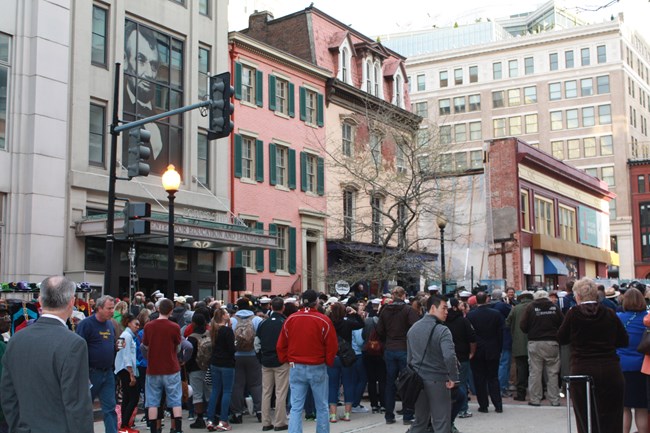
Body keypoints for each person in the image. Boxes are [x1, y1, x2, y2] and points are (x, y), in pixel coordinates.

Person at [0, 276, 94, 433]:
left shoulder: (17, 339)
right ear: (72, 302)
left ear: (40, 301)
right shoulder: (74, 344)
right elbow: (77, 404)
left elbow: (8, 395)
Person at [558, 277, 628, 433]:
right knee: (612, 416)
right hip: (609, 368)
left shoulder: (573, 314)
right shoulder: (609, 313)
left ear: (577, 296)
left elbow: (561, 338)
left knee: (585, 416)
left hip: (582, 367)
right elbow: (623, 340)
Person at [276, 289, 338, 433]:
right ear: (316, 302)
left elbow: (281, 345)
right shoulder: (323, 320)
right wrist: (328, 361)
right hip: (317, 365)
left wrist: (287, 359)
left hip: (296, 365)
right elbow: (332, 345)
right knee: (321, 406)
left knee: (296, 407)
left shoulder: (291, 319)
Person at [407, 295, 459, 433]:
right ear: (432, 308)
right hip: (438, 380)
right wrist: (453, 377)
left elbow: (409, 359)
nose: (446, 312)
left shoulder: (413, 329)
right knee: (441, 422)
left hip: (417, 380)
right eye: (444, 308)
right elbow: (449, 356)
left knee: (419, 421)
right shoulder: (443, 330)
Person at [123, 20, 166, 174]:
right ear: (125, 60)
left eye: (153, 65)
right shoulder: (117, 115)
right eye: (141, 60)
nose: (148, 73)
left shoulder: (171, 133)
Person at [376, 286, 420, 424]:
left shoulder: (384, 311)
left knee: (390, 383)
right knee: (407, 382)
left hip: (390, 348)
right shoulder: (408, 310)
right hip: (404, 348)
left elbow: (379, 330)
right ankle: (407, 415)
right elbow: (416, 329)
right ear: (403, 296)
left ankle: (389, 415)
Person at [76, 294, 118, 433]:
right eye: (109, 308)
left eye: (113, 308)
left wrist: (115, 347)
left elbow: (110, 343)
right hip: (91, 372)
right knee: (86, 409)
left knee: (110, 408)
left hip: (108, 372)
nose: (112, 311)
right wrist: (83, 373)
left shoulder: (110, 324)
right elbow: (78, 350)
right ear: (99, 308)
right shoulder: (86, 324)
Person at [141, 298, 183, 433]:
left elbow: (145, 346)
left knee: (152, 401)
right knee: (175, 399)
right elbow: (178, 346)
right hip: (171, 367)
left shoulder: (149, 326)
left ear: (158, 309)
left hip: (153, 368)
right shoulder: (174, 327)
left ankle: (154, 429)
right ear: (171, 311)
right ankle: (177, 429)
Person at [519, 290, 564, 407]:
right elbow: (562, 324)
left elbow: (523, 326)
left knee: (535, 372)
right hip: (552, 342)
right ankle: (554, 399)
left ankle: (535, 399)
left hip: (535, 342)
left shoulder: (530, 307)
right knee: (553, 373)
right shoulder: (554, 307)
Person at [616, 288, 648, 433]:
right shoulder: (646, 318)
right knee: (641, 407)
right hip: (642, 367)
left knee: (624, 407)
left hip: (620, 366)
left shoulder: (618, 317)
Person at [467, 291, 504, 413]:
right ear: (487, 299)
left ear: (476, 301)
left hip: (477, 350)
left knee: (479, 379)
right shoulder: (496, 314)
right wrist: (499, 348)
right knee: (493, 377)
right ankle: (498, 405)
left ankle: (483, 405)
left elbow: (470, 334)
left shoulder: (471, 315)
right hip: (493, 348)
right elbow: (500, 333)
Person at [326, 302, 364, 422]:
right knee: (348, 384)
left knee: (332, 385)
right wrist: (355, 313)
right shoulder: (348, 323)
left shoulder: (328, 323)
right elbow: (361, 324)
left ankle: (332, 415)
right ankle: (347, 413)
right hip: (346, 356)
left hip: (333, 356)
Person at [230, 297, 264, 423]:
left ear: (237, 307)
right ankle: (259, 411)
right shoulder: (257, 320)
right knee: (256, 384)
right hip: (253, 355)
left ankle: (237, 413)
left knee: (237, 385)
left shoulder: (232, 320)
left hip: (236, 356)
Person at [256, 296, 289, 431]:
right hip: (281, 360)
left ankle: (266, 422)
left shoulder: (263, 323)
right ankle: (280, 422)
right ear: (283, 307)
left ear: (271, 307)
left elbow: (256, 343)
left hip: (266, 360)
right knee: (280, 392)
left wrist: (260, 357)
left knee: (266, 392)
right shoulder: (285, 322)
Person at [446, 297, 476, 419]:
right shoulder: (463, 321)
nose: (462, 306)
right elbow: (472, 338)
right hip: (462, 356)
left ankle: (448, 408)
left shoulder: (443, 322)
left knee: (448, 383)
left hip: (447, 356)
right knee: (462, 383)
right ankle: (463, 409)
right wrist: (472, 352)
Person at [206, 307, 236, 432]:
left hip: (215, 362)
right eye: (226, 313)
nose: (228, 314)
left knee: (215, 391)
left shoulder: (214, 330)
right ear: (223, 316)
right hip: (227, 363)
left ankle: (210, 419)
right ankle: (223, 420)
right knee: (227, 391)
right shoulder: (227, 331)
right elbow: (231, 349)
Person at [505, 290, 533, 401]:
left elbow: (507, 323)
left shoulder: (516, 309)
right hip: (534, 341)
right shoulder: (534, 307)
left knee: (521, 368)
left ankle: (521, 393)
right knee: (536, 369)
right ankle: (538, 393)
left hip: (518, 343)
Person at [115, 313, 141, 433]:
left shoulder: (124, 335)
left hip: (122, 369)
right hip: (126, 369)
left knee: (127, 397)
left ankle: (124, 424)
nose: (138, 326)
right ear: (129, 323)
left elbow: (119, 351)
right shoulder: (128, 336)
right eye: (136, 324)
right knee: (134, 397)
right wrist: (131, 374)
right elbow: (126, 356)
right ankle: (125, 424)